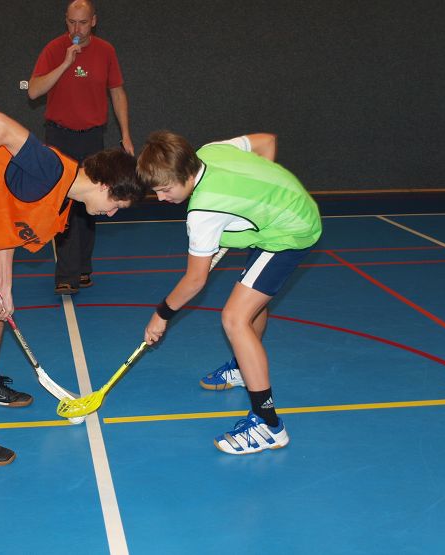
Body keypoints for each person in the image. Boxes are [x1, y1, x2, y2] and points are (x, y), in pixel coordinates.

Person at [0, 111, 145, 466]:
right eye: (116, 206)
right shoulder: (51, 170)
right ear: (105, 186)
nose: (110, 215)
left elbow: (8, 221)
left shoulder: (61, 205)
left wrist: (5, 286)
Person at [137, 131, 322, 455]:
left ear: (185, 173)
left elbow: (195, 280)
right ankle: (243, 367)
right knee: (251, 303)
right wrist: (261, 198)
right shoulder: (210, 151)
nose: (161, 198)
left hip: (290, 232)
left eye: (165, 189)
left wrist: (161, 314)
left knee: (234, 318)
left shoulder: (203, 212)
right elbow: (266, 141)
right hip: (283, 216)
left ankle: (269, 425)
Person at [28, 0, 134, 295]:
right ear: (66, 20)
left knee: (92, 202)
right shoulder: (53, 49)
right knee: (63, 203)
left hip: (91, 138)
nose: (77, 29)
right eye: (72, 22)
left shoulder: (106, 51)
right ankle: (66, 273)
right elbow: (34, 91)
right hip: (59, 137)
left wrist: (126, 135)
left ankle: (83, 267)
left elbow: (117, 92)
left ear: (94, 21)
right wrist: (65, 63)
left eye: (83, 23)